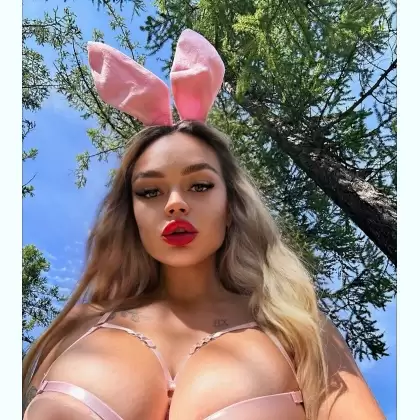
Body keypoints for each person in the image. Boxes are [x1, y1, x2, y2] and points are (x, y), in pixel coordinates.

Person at [22, 29, 385, 420]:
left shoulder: (297, 328)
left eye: (199, 185)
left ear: (230, 207)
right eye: (150, 191)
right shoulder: (80, 325)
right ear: (132, 215)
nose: (175, 204)